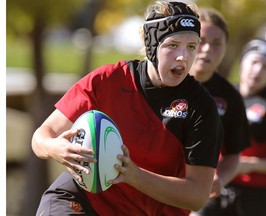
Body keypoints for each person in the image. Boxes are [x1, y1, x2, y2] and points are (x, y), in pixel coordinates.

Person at [31, 1, 224, 215]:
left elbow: (197, 196)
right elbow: (41, 136)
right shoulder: (109, 79)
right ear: (152, 45)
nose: (183, 57)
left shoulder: (201, 107)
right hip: (81, 200)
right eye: (173, 45)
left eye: (191, 47)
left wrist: (134, 176)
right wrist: (55, 148)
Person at [188, 8, 251, 216]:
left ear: (225, 49)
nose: (207, 50)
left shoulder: (230, 97)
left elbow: (234, 154)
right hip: (150, 185)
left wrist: (219, 179)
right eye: (201, 40)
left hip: (194, 198)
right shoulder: (164, 83)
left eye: (217, 44)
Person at [224, 39, 266, 216]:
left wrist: (249, 165)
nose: (257, 70)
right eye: (254, 62)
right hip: (217, 189)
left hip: (257, 198)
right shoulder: (222, 96)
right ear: (243, 62)